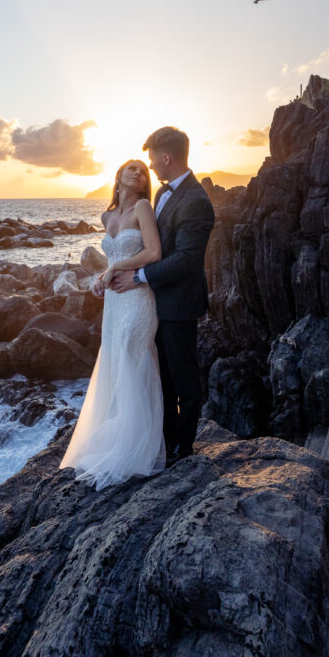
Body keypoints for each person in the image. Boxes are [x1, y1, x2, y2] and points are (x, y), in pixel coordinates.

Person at [112, 126, 215, 466]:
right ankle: (164, 439)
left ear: (166, 157)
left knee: (185, 381)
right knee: (164, 379)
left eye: (153, 159)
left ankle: (182, 449)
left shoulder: (196, 200)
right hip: (154, 302)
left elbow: (186, 260)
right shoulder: (161, 195)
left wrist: (139, 276)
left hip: (179, 304)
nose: (151, 166)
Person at [60, 159, 166, 489]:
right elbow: (109, 263)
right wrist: (99, 277)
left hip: (138, 299)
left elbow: (154, 252)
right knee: (115, 365)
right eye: (131, 168)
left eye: (143, 171)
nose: (138, 173)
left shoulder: (144, 208)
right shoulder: (107, 216)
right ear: (118, 175)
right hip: (115, 301)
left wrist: (116, 266)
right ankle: (116, 437)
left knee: (133, 360)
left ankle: (136, 447)